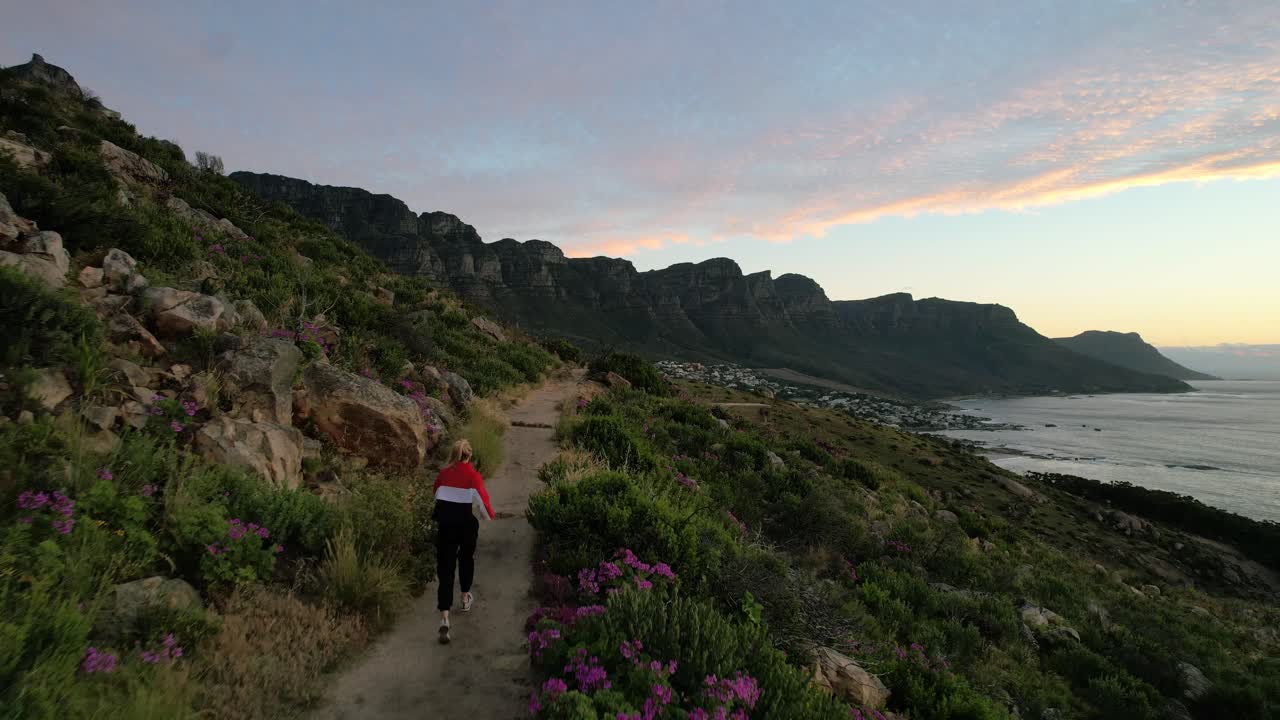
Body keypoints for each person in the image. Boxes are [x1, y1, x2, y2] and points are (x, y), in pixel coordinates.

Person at [432, 439, 495, 644]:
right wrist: (488, 517)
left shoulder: (443, 475)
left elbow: (436, 495)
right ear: (469, 456)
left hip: (445, 527)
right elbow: (484, 506)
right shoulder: (473, 476)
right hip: (466, 526)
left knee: (446, 569)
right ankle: (466, 597)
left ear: (454, 455)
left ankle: (445, 618)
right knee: (466, 559)